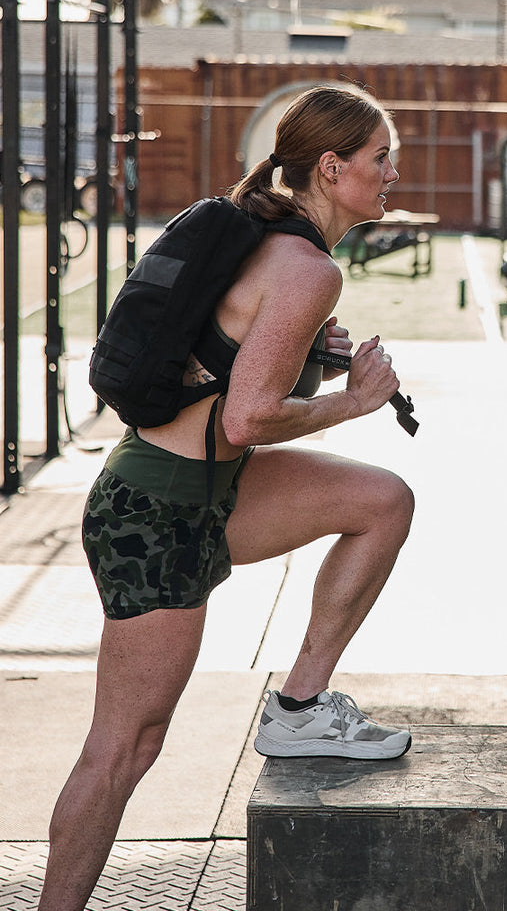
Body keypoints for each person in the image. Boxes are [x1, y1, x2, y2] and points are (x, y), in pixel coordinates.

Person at [40, 84, 416, 911]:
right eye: (380, 157)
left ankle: (299, 706)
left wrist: (312, 361)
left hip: (208, 492)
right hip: (155, 513)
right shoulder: (308, 266)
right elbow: (246, 417)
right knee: (126, 747)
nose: (392, 172)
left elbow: (228, 370)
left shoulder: (278, 242)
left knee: (381, 501)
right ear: (331, 166)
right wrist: (347, 402)